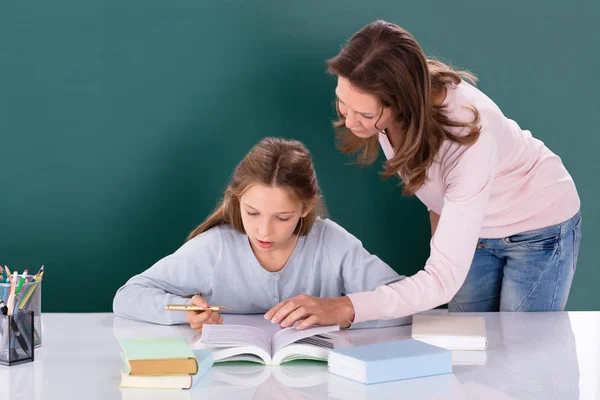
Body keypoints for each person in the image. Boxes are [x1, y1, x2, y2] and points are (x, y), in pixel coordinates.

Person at [265, 20, 581, 330]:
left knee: (521, 350)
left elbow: (442, 280)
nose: (350, 122)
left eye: (366, 115)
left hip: (538, 228)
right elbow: (436, 199)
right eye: (343, 104)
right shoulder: (397, 105)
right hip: (475, 226)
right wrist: (446, 247)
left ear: (404, 102)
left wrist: (345, 306)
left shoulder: (470, 139)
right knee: (467, 340)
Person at [113, 137, 406, 331]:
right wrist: (185, 311)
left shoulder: (331, 243)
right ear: (237, 199)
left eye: (282, 217)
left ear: (306, 208)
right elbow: (128, 296)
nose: (263, 231)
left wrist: (346, 311)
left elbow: (408, 301)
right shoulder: (215, 249)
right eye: (252, 213)